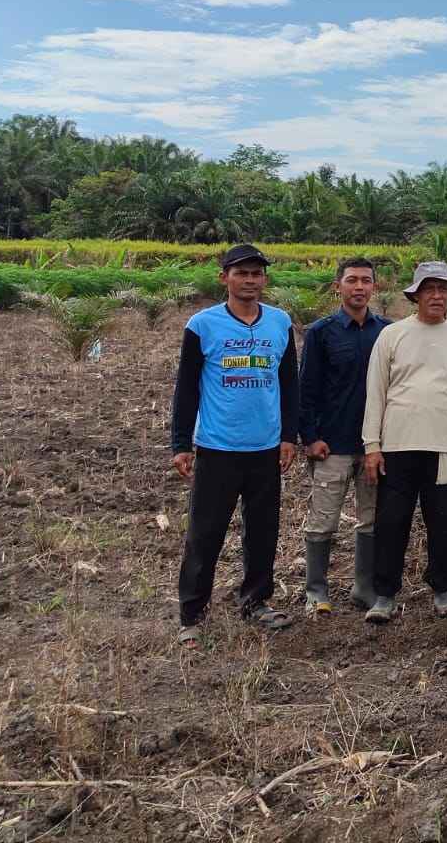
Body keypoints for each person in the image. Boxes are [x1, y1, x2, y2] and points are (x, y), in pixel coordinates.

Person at [170, 243, 299, 646]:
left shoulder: (280, 323)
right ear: (223, 277)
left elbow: (289, 384)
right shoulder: (203, 325)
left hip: (265, 449)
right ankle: (192, 613)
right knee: (205, 533)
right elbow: (186, 388)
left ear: (265, 279)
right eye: (241, 273)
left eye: (256, 274)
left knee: (263, 531)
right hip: (218, 447)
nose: (249, 280)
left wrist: (287, 437)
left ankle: (256, 601)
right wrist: (181, 443)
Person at [361, 261, 447, 624]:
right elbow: (376, 393)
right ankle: (384, 595)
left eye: (442, 288)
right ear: (415, 295)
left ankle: (443, 591)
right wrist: (372, 445)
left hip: (445, 446)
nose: (436, 295)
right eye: (428, 288)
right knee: (391, 521)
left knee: (443, 521)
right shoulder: (392, 335)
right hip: (397, 446)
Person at [298, 256, 389, 615]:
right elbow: (307, 389)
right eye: (352, 280)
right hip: (331, 445)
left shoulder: (387, 331)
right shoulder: (322, 332)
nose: (359, 287)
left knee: (371, 518)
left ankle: (363, 588)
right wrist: (310, 436)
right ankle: (316, 591)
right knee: (323, 519)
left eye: (366, 280)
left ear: (375, 287)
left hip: (373, 446)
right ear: (338, 286)